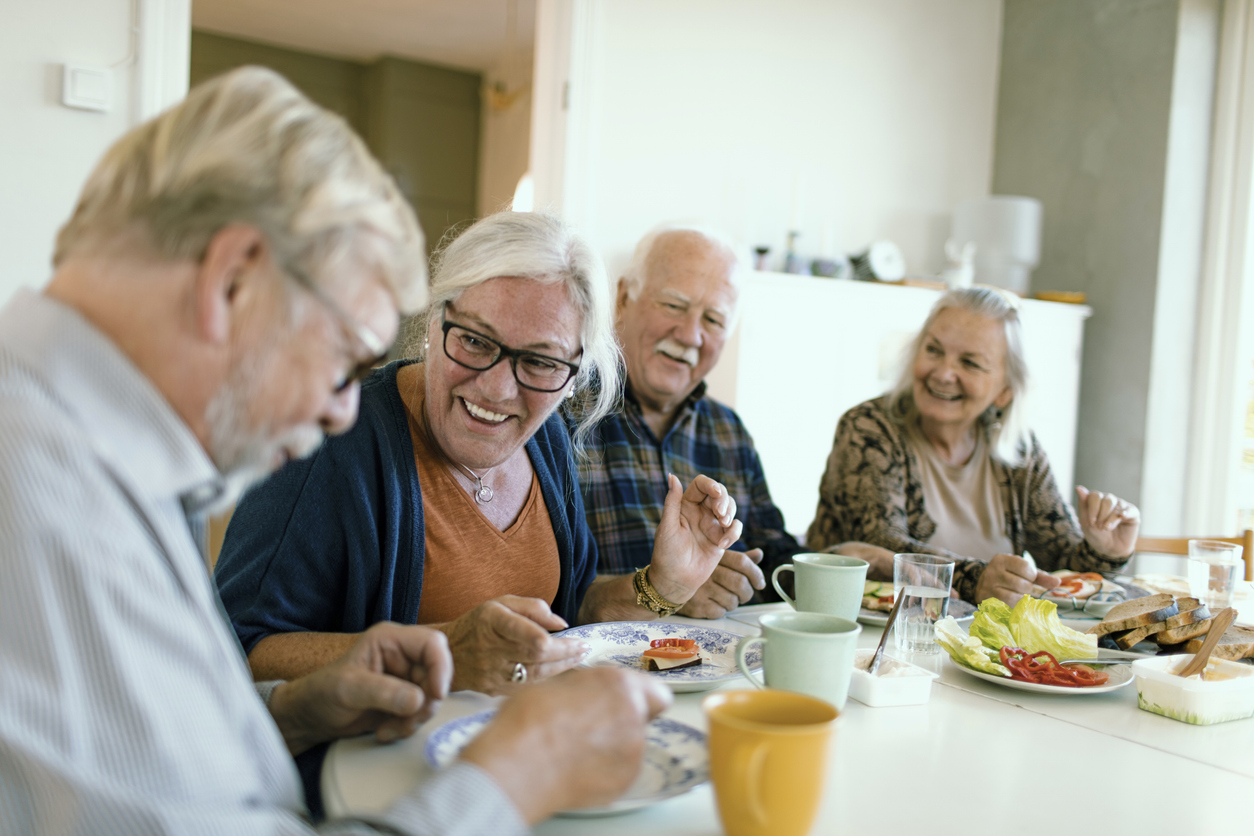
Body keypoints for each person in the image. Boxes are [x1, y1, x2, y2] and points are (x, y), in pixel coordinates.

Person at [0, 66, 672, 835]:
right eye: (345, 358)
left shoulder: (98, 459)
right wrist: (517, 775)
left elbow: (163, 766)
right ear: (232, 283)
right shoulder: (44, 504)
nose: (345, 408)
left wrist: (290, 714)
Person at [213, 212, 743, 696]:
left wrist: (663, 585)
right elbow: (236, 648)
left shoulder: (546, 438)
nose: (495, 389)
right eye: (473, 341)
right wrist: (447, 652)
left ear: (575, 373)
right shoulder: (333, 437)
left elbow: (569, 610)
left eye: (539, 362)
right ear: (436, 321)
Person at [806, 287, 1140, 606]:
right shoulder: (868, 427)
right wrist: (975, 578)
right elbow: (881, 546)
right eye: (934, 350)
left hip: (976, 645)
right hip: (873, 638)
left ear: (1004, 390)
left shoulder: (1019, 450)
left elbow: (1059, 566)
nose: (943, 373)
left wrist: (1105, 551)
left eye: (970, 363)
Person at [577, 225, 807, 619]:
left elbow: (776, 560)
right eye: (673, 305)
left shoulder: (729, 430)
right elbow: (541, 588)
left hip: (725, 672)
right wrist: (667, 589)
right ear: (622, 300)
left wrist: (841, 559)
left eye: (714, 320)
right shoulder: (560, 412)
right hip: (597, 673)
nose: (690, 335)